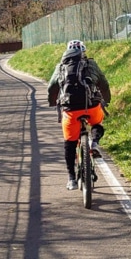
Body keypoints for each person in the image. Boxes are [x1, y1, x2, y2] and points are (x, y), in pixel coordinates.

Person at [47, 39, 111, 190]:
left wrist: (51, 102)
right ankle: (94, 142)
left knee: (69, 143)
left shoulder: (61, 67)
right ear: (83, 51)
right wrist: (106, 100)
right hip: (91, 107)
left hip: (70, 110)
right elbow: (104, 84)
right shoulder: (91, 64)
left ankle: (71, 179)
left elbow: (52, 87)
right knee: (97, 123)